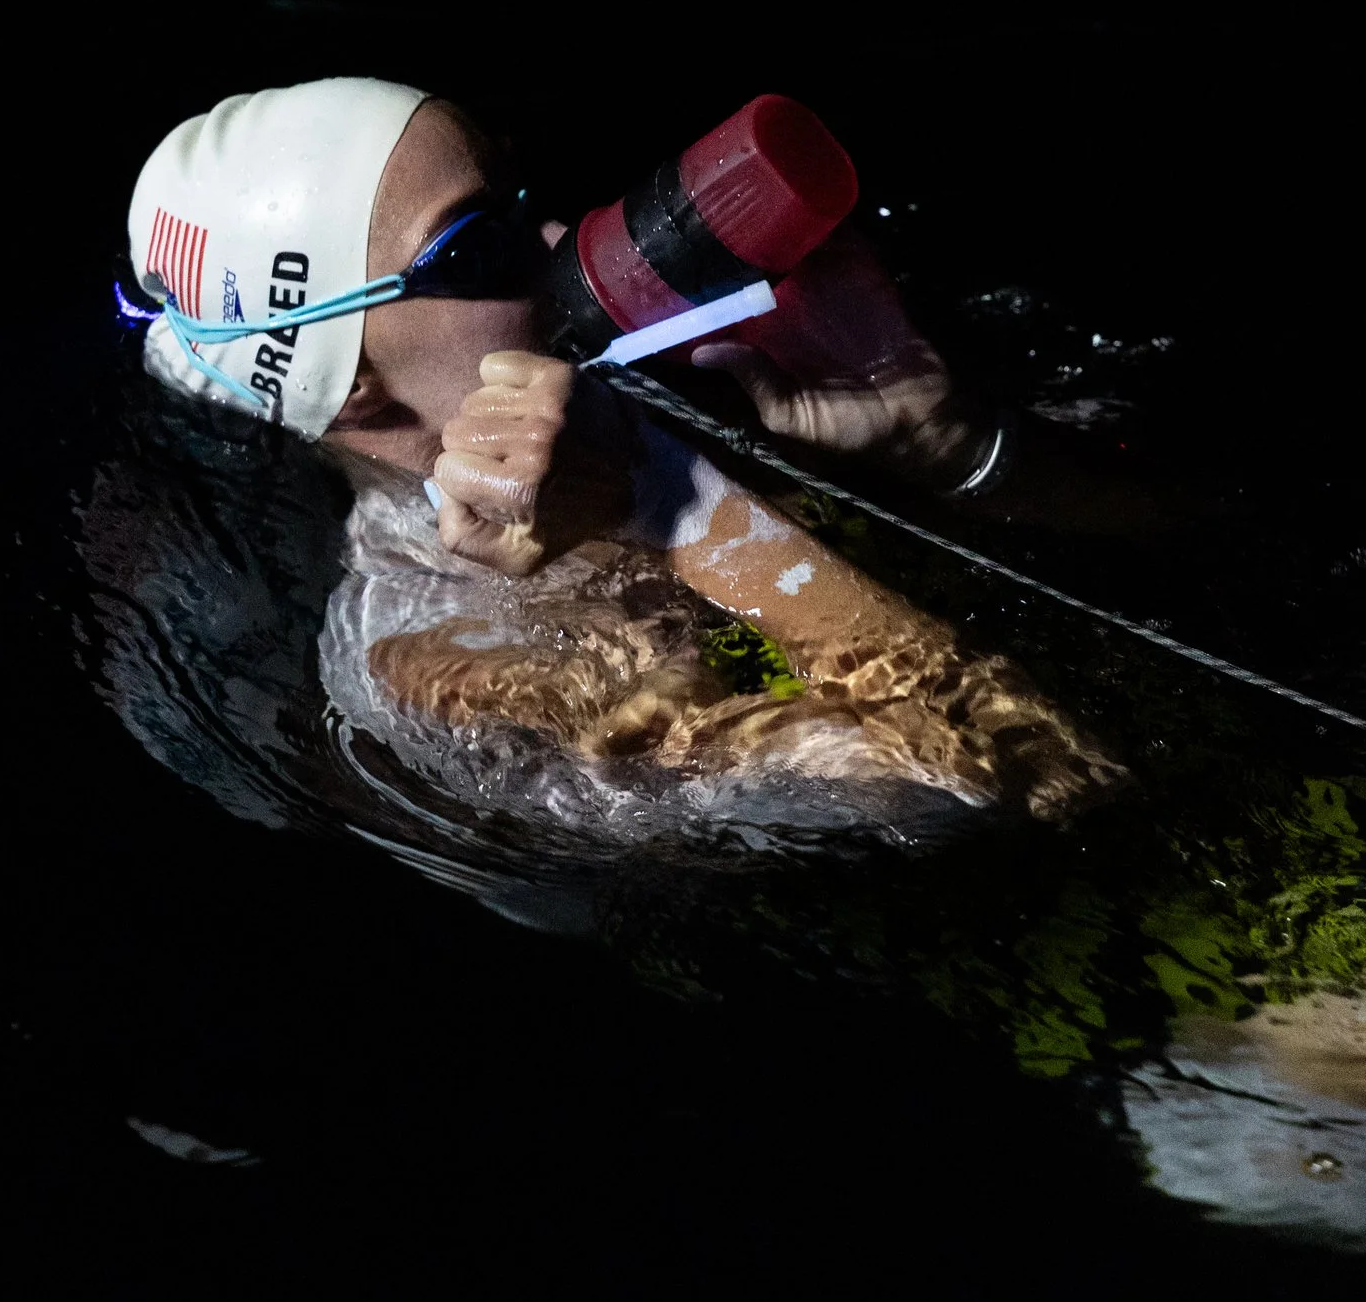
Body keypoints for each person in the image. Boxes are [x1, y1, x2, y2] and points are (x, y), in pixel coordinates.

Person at [127, 77, 1121, 824]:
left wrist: (942, 440)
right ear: (349, 384)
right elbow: (1015, 764)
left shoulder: (675, 377)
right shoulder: (438, 663)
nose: (557, 233)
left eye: (521, 194)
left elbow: (1216, 532)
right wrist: (676, 508)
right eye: (479, 244)